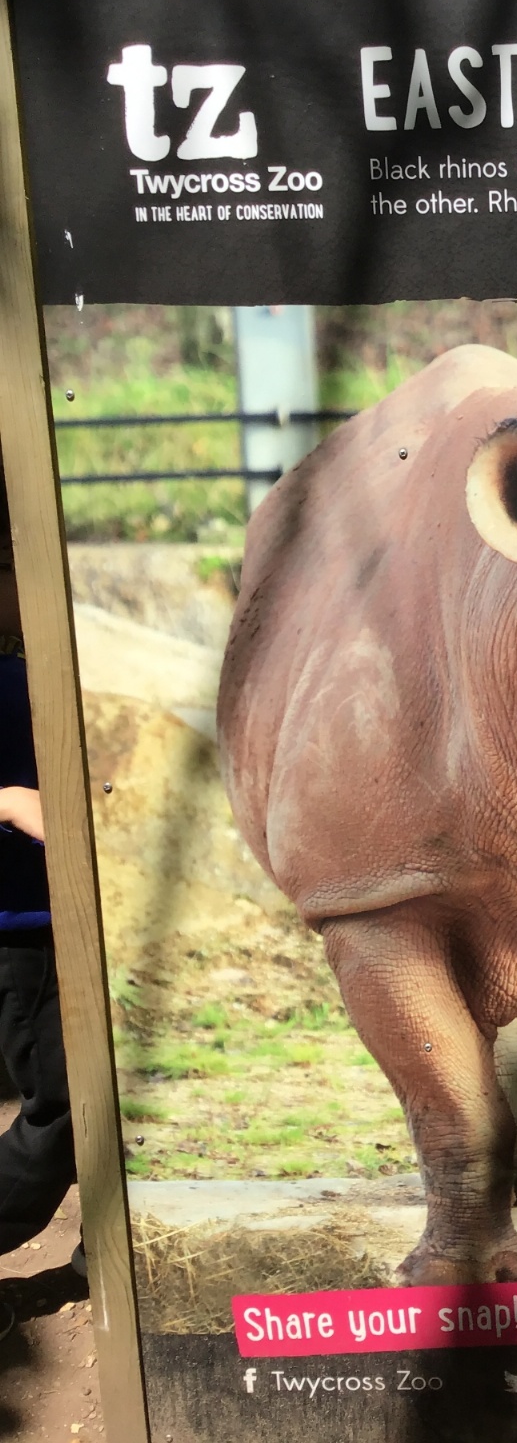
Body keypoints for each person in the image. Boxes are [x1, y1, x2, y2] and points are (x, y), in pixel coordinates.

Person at [0, 470, 79, 1339]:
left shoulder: (30, 666)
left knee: (109, 1093)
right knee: (59, 1109)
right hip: (21, 934)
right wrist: (7, 798)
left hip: (77, 918)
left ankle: (105, 1257)